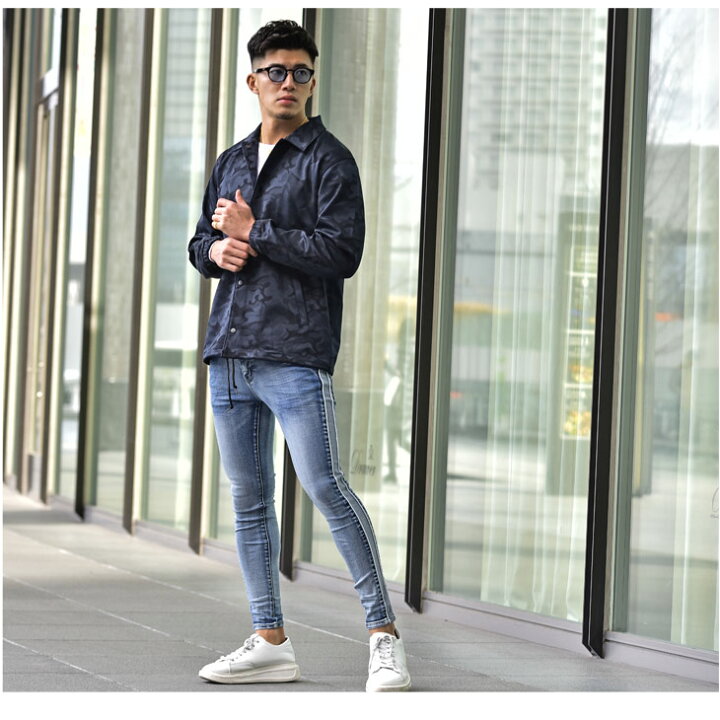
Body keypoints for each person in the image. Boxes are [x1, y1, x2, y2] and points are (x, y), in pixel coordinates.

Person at [187, 19, 411, 692]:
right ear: (253, 81)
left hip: (294, 353)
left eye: (301, 73)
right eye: (276, 72)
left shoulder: (329, 160)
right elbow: (200, 242)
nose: (288, 83)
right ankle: (269, 641)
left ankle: (384, 637)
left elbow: (341, 253)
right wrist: (216, 250)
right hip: (230, 353)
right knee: (250, 503)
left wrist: (258, 231)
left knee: (326, 487)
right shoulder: (231, 160)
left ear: (312, 82)